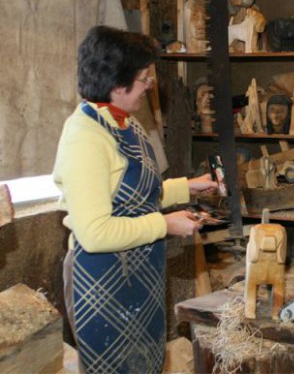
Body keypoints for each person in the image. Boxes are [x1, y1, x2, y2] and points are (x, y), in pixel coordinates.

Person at [53, 26, 219, 373]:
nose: (149, 85)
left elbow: (141, 193)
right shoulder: (84, 139)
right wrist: (165, 224)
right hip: (103, 285)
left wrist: (188, 187)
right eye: (144, 78)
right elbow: (95, 233)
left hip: (140, 277)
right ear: (116, 84)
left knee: (147, 364)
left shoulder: (126, 124)